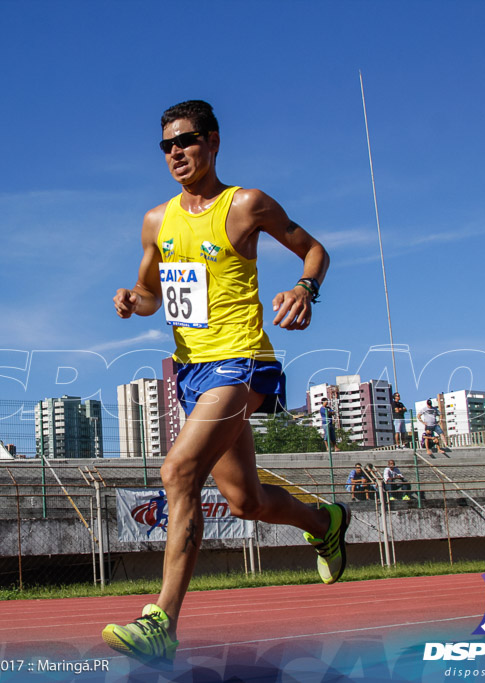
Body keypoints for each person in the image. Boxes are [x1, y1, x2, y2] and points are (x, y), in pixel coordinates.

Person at [103, 100, 348, 669]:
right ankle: (325, 522)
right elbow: (150, 294)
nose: (175, 154)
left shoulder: (246, 205)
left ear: (213, 142)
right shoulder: (156, 221)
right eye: (166, 146)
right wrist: (129, 301)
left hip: (243, 363)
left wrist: (304, 291)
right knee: (246, 502)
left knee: (177, 470)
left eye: (185, 141)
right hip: (192, 373)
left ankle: (160, 621)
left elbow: (315, 250)